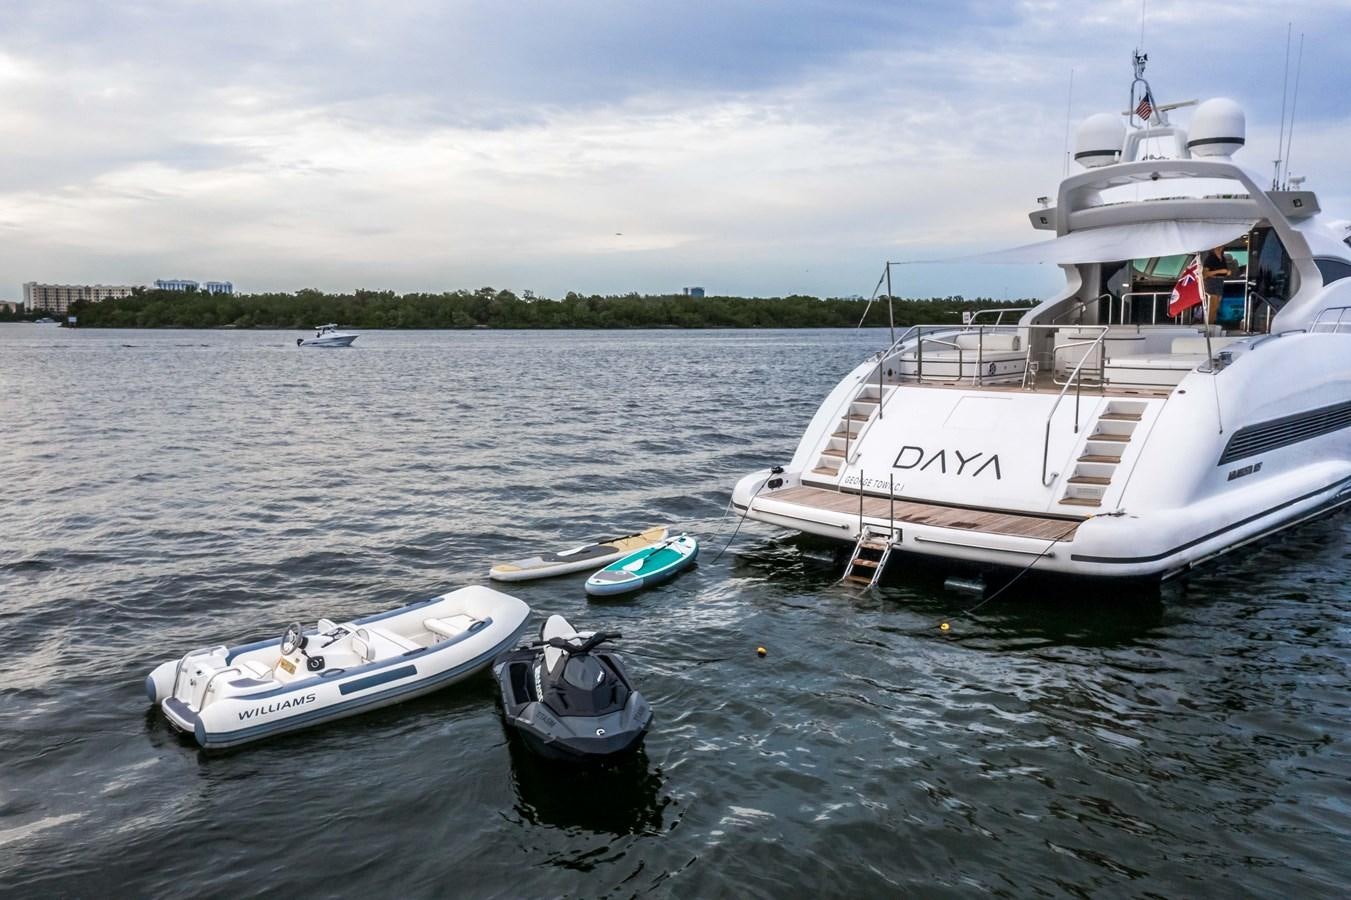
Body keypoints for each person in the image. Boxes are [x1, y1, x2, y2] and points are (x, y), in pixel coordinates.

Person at [1201, 245, 1232, 325]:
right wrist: (1220, 271)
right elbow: (1205, 274)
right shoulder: (1210, 258)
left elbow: (1224, 271)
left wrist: (1227, 272)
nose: (1219, 248)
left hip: (1220, 281)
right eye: (1218, 247)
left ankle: (1212, 324)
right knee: (1212, 306)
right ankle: (1208, 325)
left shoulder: (1223, 258)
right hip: (1211, 282)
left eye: (1221, 247)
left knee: (1216, 306)